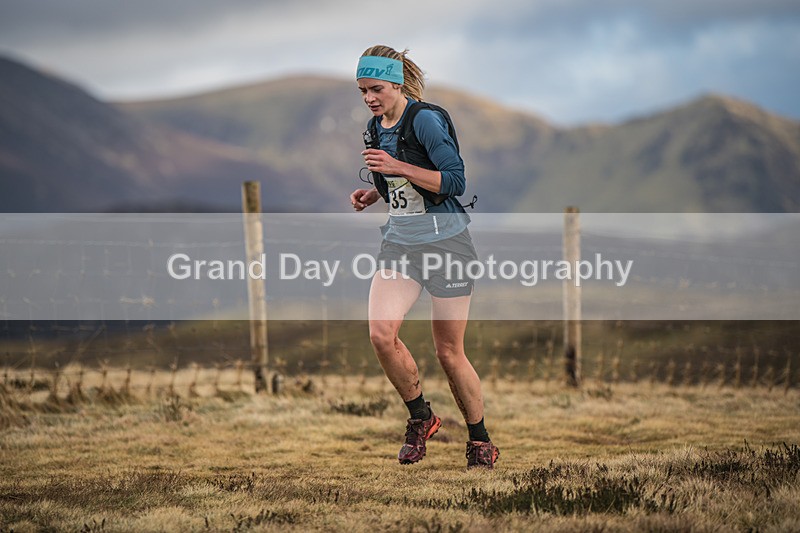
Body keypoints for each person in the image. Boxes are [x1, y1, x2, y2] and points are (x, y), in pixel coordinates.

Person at [349, 45, 499, 469]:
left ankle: (480, 441)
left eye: (375, 89)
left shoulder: (427, 120)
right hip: (400, 243)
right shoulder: (375, 126)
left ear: (396, 83)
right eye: (362, 91)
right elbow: (399, 176)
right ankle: (422, 417)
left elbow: (453, 181)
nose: (369, 98)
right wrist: (375, 192)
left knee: (449, 352)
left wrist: (397, 168)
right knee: (381, 334)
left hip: (448, 243)